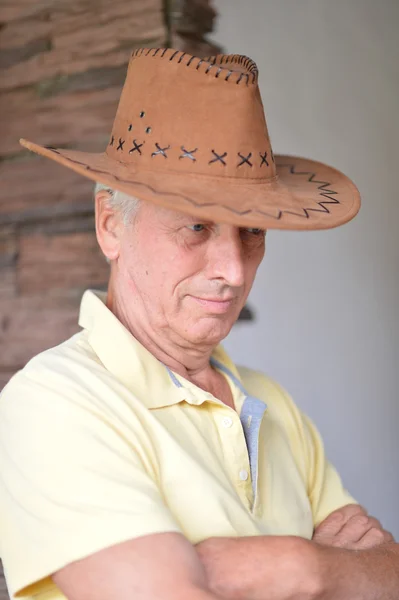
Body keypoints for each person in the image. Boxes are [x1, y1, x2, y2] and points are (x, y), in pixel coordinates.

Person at [0, 47, 397, 600]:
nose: (234, 271)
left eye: (252, 232)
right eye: (196, 228)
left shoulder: (270, 402)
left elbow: (391, 572)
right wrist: (334, 569)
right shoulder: (54, 403)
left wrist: (300, 567)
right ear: (111, 225)